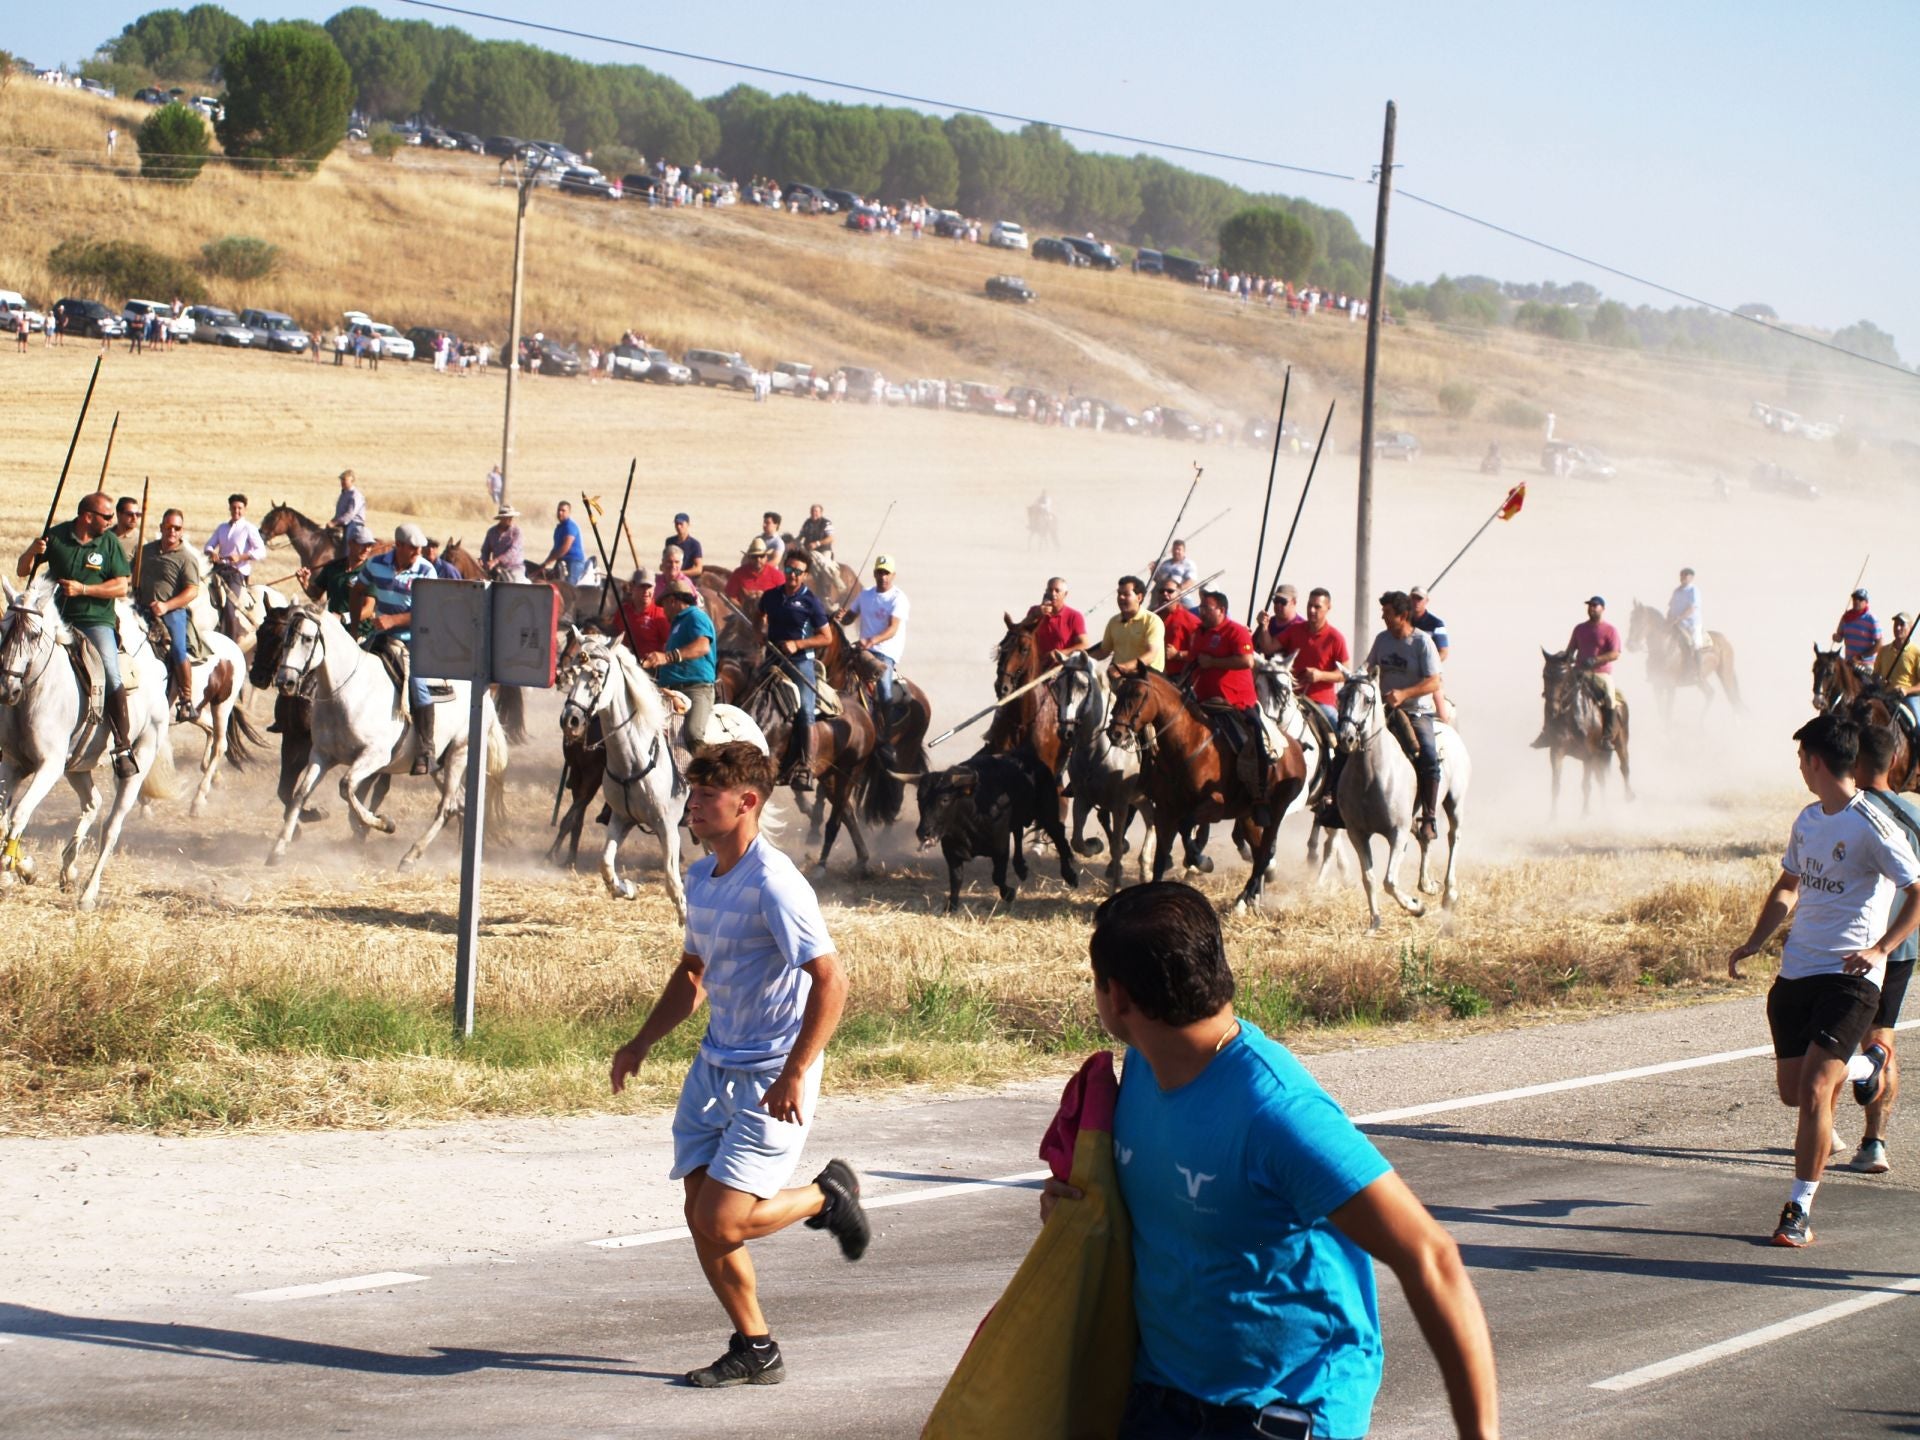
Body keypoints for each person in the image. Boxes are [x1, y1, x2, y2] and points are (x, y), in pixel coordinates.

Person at [1041, 883, 1499, 1440]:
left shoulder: (1277, 1115)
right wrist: (1080, 1210)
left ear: (1117, 997)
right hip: (1159, 1404)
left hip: (1280, 1419)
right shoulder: (1140, 1069)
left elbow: (1431, 1256)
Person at [608, 740, 869, 1389]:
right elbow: (694, 973)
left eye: (705, 796)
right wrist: (641, 1042)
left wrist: (794, 1073)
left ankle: (824, 1196)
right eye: (690, 794)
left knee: (721, 1219)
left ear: (746, 802)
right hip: (714, 1064)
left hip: (774, 1071)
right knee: (705, 1221)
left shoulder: (775, 884)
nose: (691, 805)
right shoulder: (701, 878)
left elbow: (831, 981)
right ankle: (756, 1347)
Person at [1729, 714, 1920, 1246]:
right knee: (1793, 1093)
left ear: (1816, 760)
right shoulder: (1809, 820)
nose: (1799, 769)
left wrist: (1880, 948)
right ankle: (1868, 1064)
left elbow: (1917, 892)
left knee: (1816, 1090)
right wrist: (1756, 939)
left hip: (1849, 978)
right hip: (1797, 973)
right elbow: (1789, 885)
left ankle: (1798, 1208)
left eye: (1799, 760)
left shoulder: (1874, 827)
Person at [16, 494, 139, 778]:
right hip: (56, 620)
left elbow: (121, 587)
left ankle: (122, 745)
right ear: (87, 517)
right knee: (15, 658)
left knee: (111, 673)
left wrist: (83, 590)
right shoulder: (56, 536)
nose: (112, 521)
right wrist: (32, 551)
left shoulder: (109, 543)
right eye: (107, 516)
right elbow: (23, 571)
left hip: (96, 621)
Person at [1850, 725, 1920, 1175]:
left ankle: (1822, 1128)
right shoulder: (1914, 815)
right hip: (1904, 942)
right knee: (1882, 1037)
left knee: (1830, 1044)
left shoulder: (1845, 812)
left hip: (1856, 945)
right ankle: (1874, 1142)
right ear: (1896, 759)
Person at [353, 523, 439, 775]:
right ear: (399, 546)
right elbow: (358, 591)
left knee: (419, 685)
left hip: (414, 639)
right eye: (413, 549)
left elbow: (428, 610)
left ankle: (426, 749)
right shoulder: (375, 564)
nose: (418, 553)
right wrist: (354, 629)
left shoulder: (426, 570)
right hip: (380, 637)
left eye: (420, 549)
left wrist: (393, 620)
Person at [1366, 591, 1445, 842]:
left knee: (1429, 756)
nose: (1383, 617)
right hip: (1384, 711)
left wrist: (1404, 694)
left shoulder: (1422, 643)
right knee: (1351, 747)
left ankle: (1429, 817)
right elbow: (1369, 668)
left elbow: (1434, 682)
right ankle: (1335, 803)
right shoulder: (1382, 640)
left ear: (1402, 615)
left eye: (1387, 613)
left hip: (1416, 712)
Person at [758, 553, 832, 790]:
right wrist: (759, 630)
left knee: (805, 711)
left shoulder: (811, 602)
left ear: (805, 575)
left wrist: (797, 644)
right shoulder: (771, 596)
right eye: (789, 570)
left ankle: (806, 766)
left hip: (800, 663)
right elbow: (758, 614)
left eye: (798, 572)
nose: (792, 575)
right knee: (747, 694)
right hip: (772, 659)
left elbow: (826, 637)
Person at [136, 508, 204, 723]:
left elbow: (192, 590)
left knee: (177, 648)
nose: (172, 531)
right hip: (141, 608)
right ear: (161, 528)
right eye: (169, 527)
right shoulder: (145, 551)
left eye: (177, 528)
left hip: (172, 612)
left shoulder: (186, 558)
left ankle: (186, 699)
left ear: (182, 531)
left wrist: (166, 606)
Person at [1534, 596, 1623, 747]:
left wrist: (1595, 660)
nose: (1592, 608)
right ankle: (1548, 731)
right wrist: (1561, 658)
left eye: (1595, 605)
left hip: (1601, 673)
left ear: (1603, 609)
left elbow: (1615, 654)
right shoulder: (1579, 628)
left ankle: (1607, 737)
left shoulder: (1610, 630)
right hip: (1579, 671)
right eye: (1590, 606)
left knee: (1609, 695)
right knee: (1554, 695)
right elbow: (1570, 650)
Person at [644, 582, 718, 754]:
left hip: (696, 689)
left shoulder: (695, 616)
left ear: (672, 601)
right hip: (669, 692)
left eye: (664, 606)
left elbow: (702, 646)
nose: (663, 611)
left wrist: (667, 657)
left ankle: (706, 777)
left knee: (693, 734)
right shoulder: (677, 625)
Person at [837, 556, 909, 709]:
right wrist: (842, 617)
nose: (883, 577)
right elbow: (849, 618)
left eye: (886, 573)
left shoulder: (898, 598)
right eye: (880, 572)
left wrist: (871, 641)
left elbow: (892, 629)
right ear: (875, 574)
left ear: (893, 575)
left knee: (884, 689)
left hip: (885, 652)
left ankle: (887, 727)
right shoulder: (865, 594)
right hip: (863, 649)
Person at [1285, 588, 1350, 728]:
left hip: (1321, 704)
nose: (1312, 610)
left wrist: (1320, 675)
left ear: (1328, 608)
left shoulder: (1335, 638)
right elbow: (1269, 647)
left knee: (1341, 734)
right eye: (1309, 605)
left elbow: (1345, 674)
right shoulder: (1294, 630)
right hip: (1292, 698)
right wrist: (1263, 627)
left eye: (1317, 607)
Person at [298, 522, 377, 621]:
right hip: (334, 627)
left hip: (358, 632)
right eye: (363, 545)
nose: (367, 549)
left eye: (370, 546)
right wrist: (305, 583)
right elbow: (316, 595)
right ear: (350, 543)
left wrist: (343, 618)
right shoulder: (333, 567)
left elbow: (368, 609)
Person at [1088, 575, 1165, 672]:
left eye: (1126, 594)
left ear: (1139, 597)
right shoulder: (1114, 622)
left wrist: (1123, 668)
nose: (1121, 597)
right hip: (1119, 675)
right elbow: (1104, 651)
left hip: (1145, 678)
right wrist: (1080, 659)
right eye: (1119, 594)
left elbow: (1151, 655)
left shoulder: (1152, 621)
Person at [1872, 612, 1920, 728]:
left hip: (1907, 698)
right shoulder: (1883, 651)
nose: (1898, 628)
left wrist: (1906, 690)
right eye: (1895, 624)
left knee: (1918, 725)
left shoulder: (1916, 653)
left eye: (1902, 624)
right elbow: (1875, 675)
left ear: (1910, 627)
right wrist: (1878, 681)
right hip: (1886, 696)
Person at [204, 493, 267, 579]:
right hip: (218, 569)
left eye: (239, 508)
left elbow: (261, 551)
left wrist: (240, 557)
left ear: (245, 509)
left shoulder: (249, 528)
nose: (236, 511)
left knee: (234, 593)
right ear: (229, 508)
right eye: (233, 508)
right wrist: (212, 553)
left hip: (238, 572)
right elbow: (208, 546)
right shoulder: (222, 527)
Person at [1032, 578, 1090, 664]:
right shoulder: (1035, 611)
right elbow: (1022, 632)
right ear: (1046, 592)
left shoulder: (1074, 616)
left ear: (1065, 594)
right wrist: (1037, 613)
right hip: (1036, 666)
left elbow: (1084, 645)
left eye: (1057, 591)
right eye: (1050, 590)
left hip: (1062, 668)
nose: (1053, 594)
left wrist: (1059, 653)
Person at [619, 569, 670, 657]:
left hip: (649, 667)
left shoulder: (660, 614)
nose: (646, 591)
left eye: (649, 587)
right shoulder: (623, 611)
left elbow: (670, 645)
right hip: (623, 663)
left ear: (654, 589)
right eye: (642, 586)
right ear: (632, 587)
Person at [1158, 579, 1200, 678]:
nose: (1165, 594)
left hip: (1178, 678)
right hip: (1153, 675)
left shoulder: (1191, 621)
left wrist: (1178, 654)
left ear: (1179, 595)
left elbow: (1201, 653)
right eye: (1161, 591)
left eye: (1170, 591)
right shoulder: (1151, 617)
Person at [1667, 567, 1704, 678]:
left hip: (1692, 624)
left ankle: (1698, 672)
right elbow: (1671, 606)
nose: (1683, 577)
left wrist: (1679, 618)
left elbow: (1692, 608)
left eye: (1686, 575)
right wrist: (1668, 618)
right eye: (1682, 575)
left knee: (1694, 644)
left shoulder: (1693, 590)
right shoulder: (1677, 591)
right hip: (1677, 624)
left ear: (1691, 578)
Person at [724, 539, 784, 607]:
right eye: (754, 556)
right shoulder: (738, 573)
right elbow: (729, 597)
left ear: (766, 557)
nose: (758, 560)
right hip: (743, 614)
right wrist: (742, 609)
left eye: (761, 556)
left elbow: (784, 598)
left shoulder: (777, 575)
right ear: (749, 558)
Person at [543, 501, 589, 585]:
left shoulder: (570, 526)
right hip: (562, 561)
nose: (560, 513)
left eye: (563, 510)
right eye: (559, 510)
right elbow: (555, 549)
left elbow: (565, 548)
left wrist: (549, 560)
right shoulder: (559, 528)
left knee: (568, 587)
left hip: (574, 562)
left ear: (569, 512)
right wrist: (545, 562)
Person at [1836, 586, 1881, 668]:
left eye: (1860, 599)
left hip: (1865, 664)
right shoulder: (1846, 617)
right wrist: (1836, 637)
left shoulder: (1871, 619)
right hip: (1849, 663)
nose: (1857, 601)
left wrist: (1861, 657)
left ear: (1866, 602)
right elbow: (1839, 636)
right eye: (1854, 599)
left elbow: (1879, 643)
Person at [1254, 584, 1304, 658]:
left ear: (1294, 602)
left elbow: (1268, 649)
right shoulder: (1267, 622)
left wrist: (1264, 628)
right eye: (1276, 600)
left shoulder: (1301, 626)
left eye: (1282, 601)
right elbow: (1251, 648)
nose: (1278, 605)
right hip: (1267, 668)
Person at [479, 506, 525, 583]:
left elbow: (513, 551)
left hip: (514, 568)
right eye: (508, 517)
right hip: (496, 568)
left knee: (515, 584)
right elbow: (485, 551)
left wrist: (496, 561)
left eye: (511, 517)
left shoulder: (517, 532)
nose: (511, 519)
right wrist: (484, 562)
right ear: (501, 519)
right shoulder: (491, 532)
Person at [1151, 540, 1199, 612]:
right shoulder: (1165, 564)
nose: (1176, 551)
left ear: (1184, 551)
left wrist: (1176, 591)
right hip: (1164, 594)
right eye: (1174, 549)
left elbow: (1191, 581)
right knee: (1152, 610)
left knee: (1192, 612)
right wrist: (1153, 572)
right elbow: (1159, 581)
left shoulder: (1189, 564)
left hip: (1182, 595)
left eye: (1179, 549)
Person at [1409, 586, 1450, 662]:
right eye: (1413, 598)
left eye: (1419, 598)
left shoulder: (1437, 624)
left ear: (1426, 601)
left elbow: (1443, 652)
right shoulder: (1404, 621)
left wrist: (1428, 666)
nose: (1416, 601)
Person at [331, 469, 366, 536]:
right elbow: (340, 513)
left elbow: (349, 515)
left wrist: (334, 523)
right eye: (341, 480)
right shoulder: (344, 494)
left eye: (345, 480)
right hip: (343, 523)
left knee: (345, 544)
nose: (342, 482)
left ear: (352, 481)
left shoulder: (355, 495)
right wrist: (333, 521)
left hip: (354, 524)